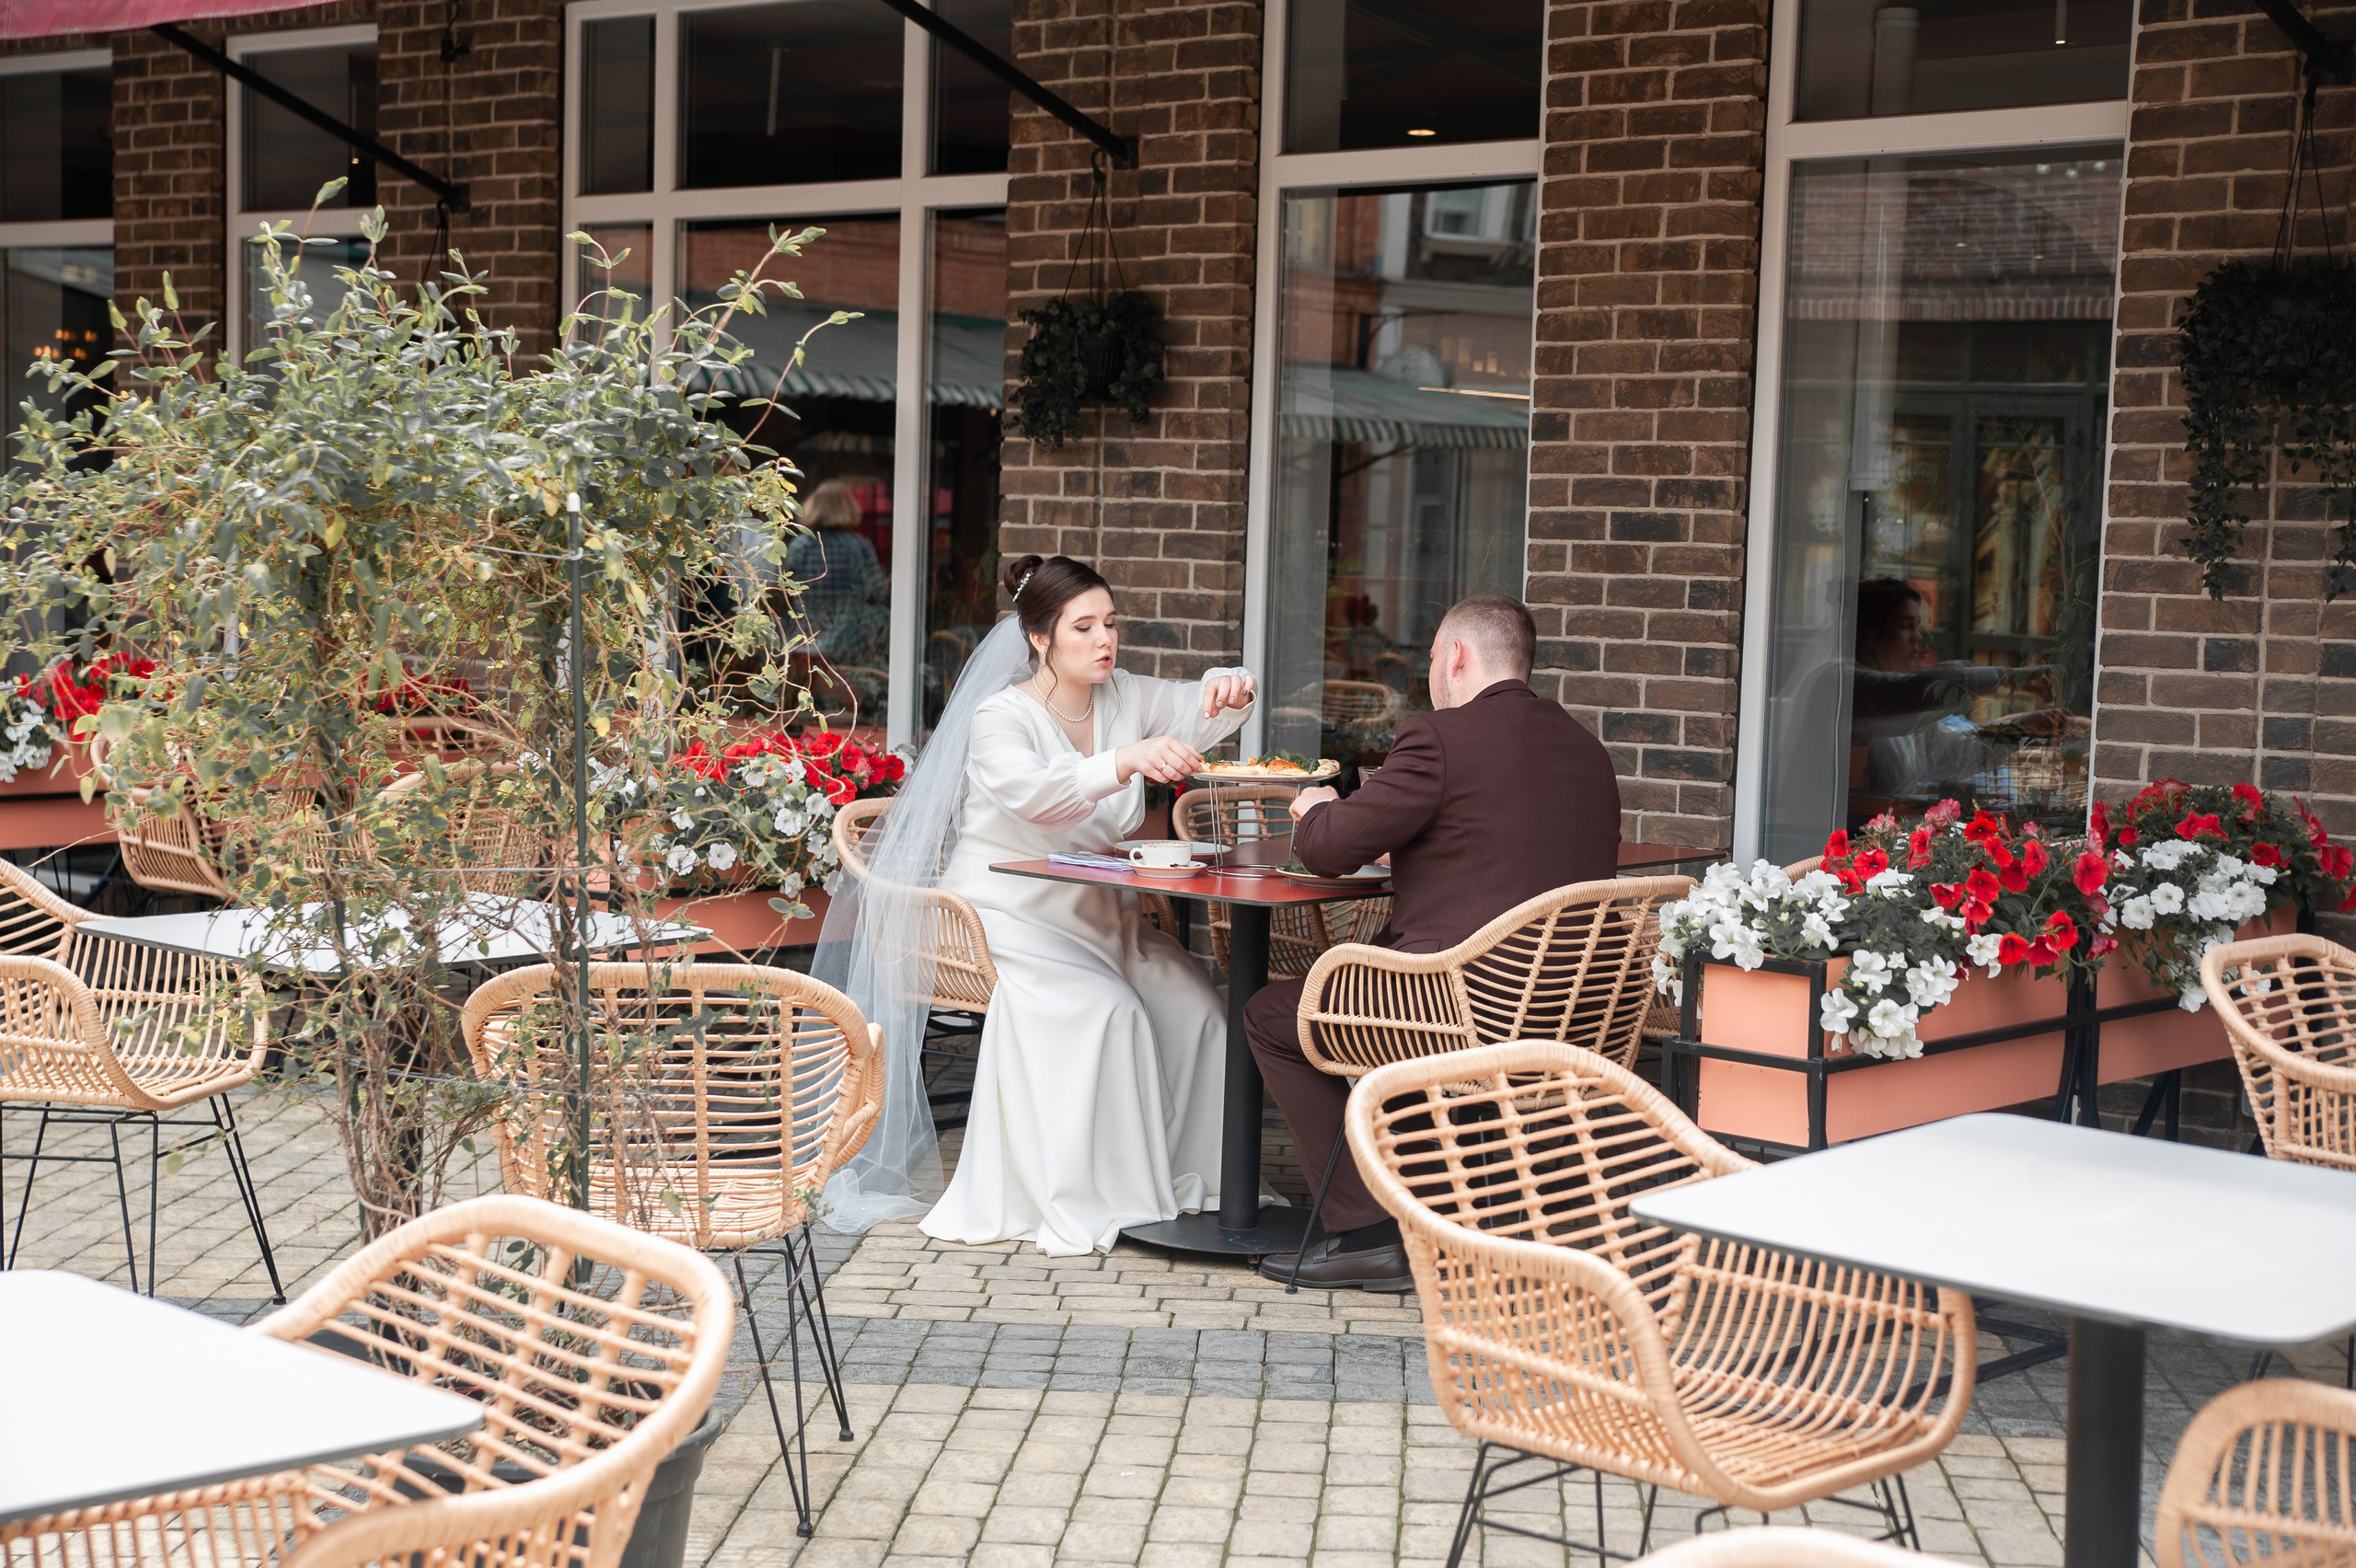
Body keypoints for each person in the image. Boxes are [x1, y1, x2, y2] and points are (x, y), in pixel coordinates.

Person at [1242, 594, 1620, 1290]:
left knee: (1273, 1015)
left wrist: (1320, 807)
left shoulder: (1440, 737)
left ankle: (1366, 1230)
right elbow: (1503, 843)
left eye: (1434, 659)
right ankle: (1439, 1208)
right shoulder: (1586, 748)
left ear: (1457, 657)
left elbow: (1328, 850)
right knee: (1376, 1005)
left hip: (1466, 999)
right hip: (1576, 1004)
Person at [887, 554, 1260, 1255]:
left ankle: (1200, 1181)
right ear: (1040, 638)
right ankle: (1109, 1196)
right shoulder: (1001, 717)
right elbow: (1039, 797)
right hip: (1006, 913)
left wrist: (1230, 686)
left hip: (1102, 911)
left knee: (1204, 1012)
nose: (1103, 641)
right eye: (1082, 627)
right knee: (1106, 1011)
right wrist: (1125, 761)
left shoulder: (1122, 695)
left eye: (1110, 624)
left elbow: (1199, 707)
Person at [780, 478, 891, 670]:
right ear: (848, 508)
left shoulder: (800, 545)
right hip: (853, 641)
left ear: (813, 506)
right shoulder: (860, 545)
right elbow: (880, 593)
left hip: (806, 638)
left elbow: (786, 593)